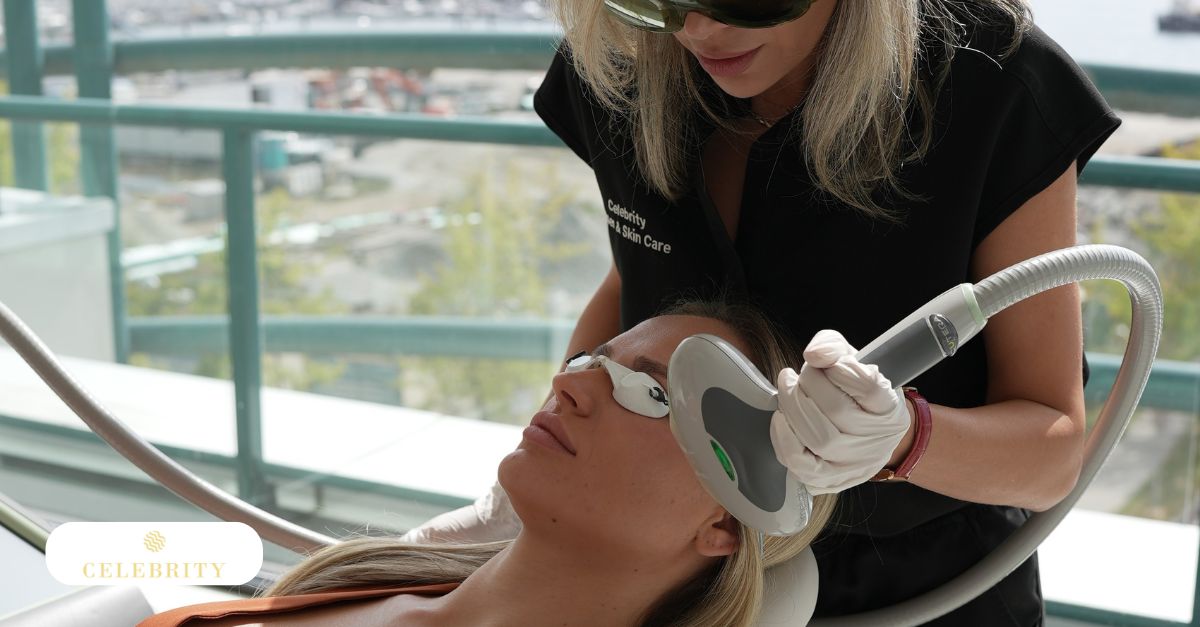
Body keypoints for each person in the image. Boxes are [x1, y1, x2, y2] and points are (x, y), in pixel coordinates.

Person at [404, 0, 1122, 623]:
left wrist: (902, 438)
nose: (698, 30)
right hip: (662, 575)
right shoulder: (626, 52)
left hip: (926, 585)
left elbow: (1050, 452)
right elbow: (640, 275)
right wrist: (537, 475)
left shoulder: (989, 84)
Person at [138, 301, 838, 627]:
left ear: (723, 522)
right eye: (591, 361)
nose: (567, 385)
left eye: (655, 394)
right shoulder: (367, 577)